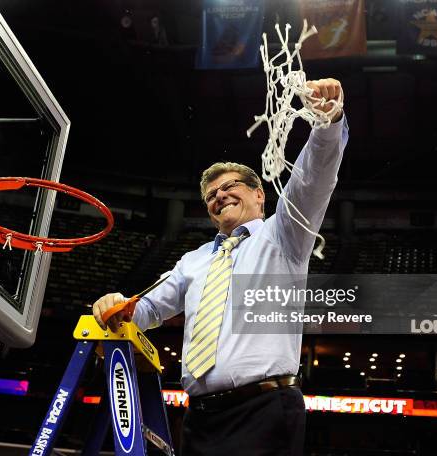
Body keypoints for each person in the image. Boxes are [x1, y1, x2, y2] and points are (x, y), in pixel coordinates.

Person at [92, 78, 348, 456]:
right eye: (211, 195)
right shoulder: (192, 261)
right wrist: (115, 305)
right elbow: (145, 309)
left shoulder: (283, 235)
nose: (219, 196)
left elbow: (312, 181)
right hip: (199, 417)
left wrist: (328, 124)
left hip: (264, 408)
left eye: (230, 187)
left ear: (259, 195)